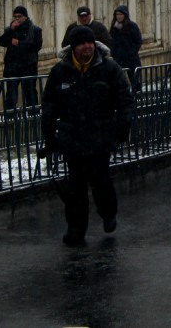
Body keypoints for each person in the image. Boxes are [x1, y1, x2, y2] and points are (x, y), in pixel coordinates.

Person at [39, 25, 135, 247]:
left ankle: (108, 212)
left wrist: (122, 127)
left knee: (101, 181)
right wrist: (49, 136)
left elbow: (124, 100)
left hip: (100, 137)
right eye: (82, 43)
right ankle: (76, 229)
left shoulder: (109, 68)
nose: (87, 47)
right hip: (73, 138)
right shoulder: (60, 71)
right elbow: (49, 106)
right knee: (76, 188)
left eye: (90, 43)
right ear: (74, 47)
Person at [0, 5, 43, 109]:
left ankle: (32, 119)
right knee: (10, 97)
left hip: (28, 68)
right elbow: (2, 42)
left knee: (30, 95)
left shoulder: (35, 30)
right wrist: (10, 30)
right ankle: (10, 121)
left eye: (19, 16)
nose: (17, 19)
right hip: (12, 69)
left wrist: (19, 43)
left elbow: (36, 46)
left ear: (25, 17)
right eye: (15, 16)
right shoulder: (11, 30)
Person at [110, 5, 143, 86]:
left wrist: (131, 52)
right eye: (117, 14)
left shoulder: (132, 26)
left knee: (135, 81)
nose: (119, 16)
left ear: (125, 15)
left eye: (121, 14)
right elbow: (111, 41)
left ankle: (136, 95)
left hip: (131, 59)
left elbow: (138, 40)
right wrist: (114, 52)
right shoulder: (114, 28)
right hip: (119, 59)